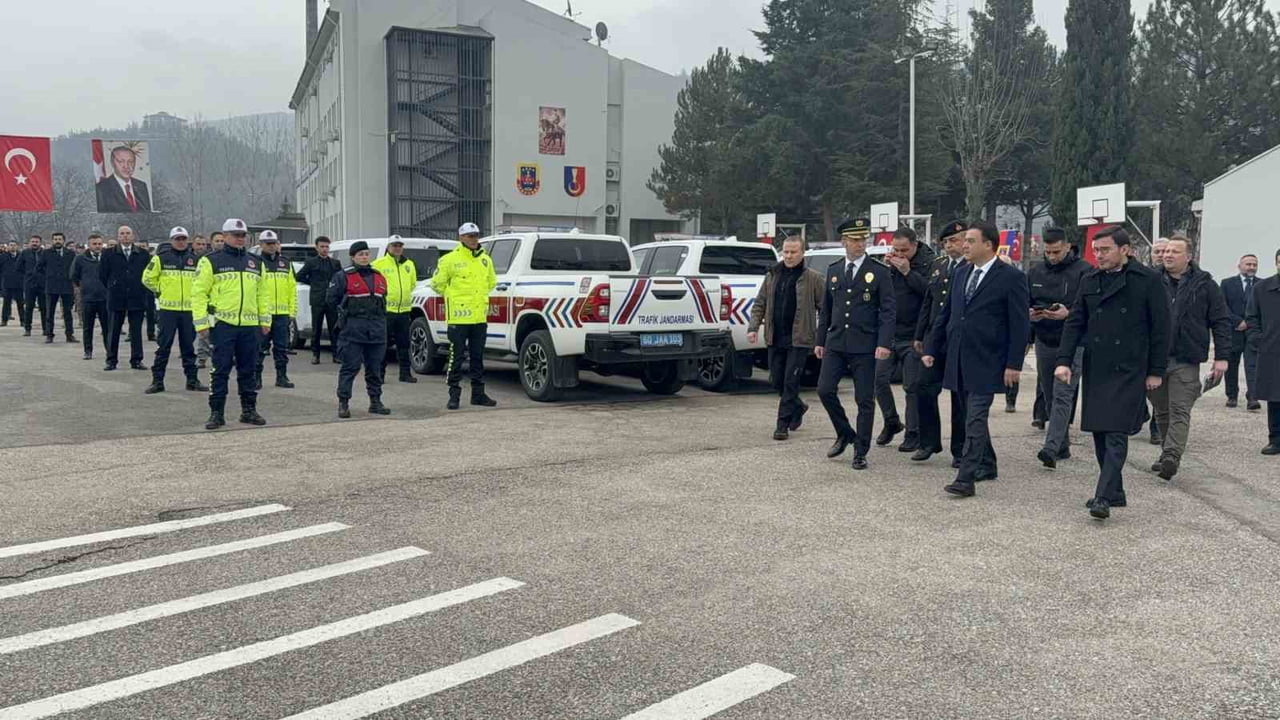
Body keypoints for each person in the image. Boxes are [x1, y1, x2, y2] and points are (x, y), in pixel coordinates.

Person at [1056, 227, 1170, 519]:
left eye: (1105, 250)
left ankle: (1102, 496)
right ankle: (1115, 491)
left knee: (1116, 432)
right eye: (1096, 250)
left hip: (1130, 367)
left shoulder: (1148, 280)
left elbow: (1161, 329)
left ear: (1125, 249)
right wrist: (1064, 360)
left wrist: (1156, 370)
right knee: (1099, 431)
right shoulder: (1090, 279)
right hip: (1097, 365)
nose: (1099, 255)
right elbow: (1074, 323)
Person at [922, 221, 1031, 497]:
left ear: (988, 245)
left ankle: (965, 477)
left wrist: (1014, 364)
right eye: (964, 241)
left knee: (975, 417)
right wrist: (931, 348)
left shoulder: (1010, 277)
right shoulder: (961, 273)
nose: (965, 246)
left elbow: (1019, 325)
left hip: (989, 359)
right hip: (958, 357)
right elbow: (946, 314)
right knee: (971, 416)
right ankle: (988, 463)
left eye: (970, 241)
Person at [1147, 234, 1232, 480]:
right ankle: (1166, 452)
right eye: (1165, 252)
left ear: (1189, 257)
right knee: (1161, 409)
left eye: (1174, 251)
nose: (1167, 255)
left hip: (1186, 358)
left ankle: (1172, 456)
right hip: (1154, 359)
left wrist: (1222, 357)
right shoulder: (1151, 281)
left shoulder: (1205, 284)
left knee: (1180, 409)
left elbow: (1221, 321)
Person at [815, 218, 895, 471]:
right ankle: (845, 432)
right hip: (836, 342)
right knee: (825, 390)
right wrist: (820, 340)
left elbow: (888, 311)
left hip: (865, 344)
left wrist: (884, 342)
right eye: (855, 240)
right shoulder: (835, 269)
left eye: (864, 239)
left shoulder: (879, 271)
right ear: (844, 242)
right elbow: (826, 310)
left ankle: (861, 450)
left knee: (864, 400)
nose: (861, 244)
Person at [192, 218, 270, 430]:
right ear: (225, 237)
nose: (240, 239)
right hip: (223, 325)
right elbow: (199, 294)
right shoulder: (211, 261)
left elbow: (263, 294)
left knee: (249, 370)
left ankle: (248, 411)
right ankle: (216, 413)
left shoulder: (255, 262)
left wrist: (265, 320)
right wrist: (201, 323)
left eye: (243, 235)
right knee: (220, 370)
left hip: (250, 326)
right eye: (235, 235)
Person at [747, 236, 824, 440]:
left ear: (802, 253)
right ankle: (797, 407)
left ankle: (782, 425)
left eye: (793, 252)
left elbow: (825, 308)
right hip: (775, 337)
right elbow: (760, 303)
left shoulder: (813, 278)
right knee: (776, 381)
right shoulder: (772, 275)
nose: (789, 256)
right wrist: (753, 327)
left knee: (791, 382)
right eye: (786, 252)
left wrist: (822, 336)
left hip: (799, 340)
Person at [1028, 227, 1091, 468]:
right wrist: (1031, 316)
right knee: (1049, 394)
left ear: (1067, 246)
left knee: (1063, 394)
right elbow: (1027, 300)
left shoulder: (1084, 271)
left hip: (1074, 342)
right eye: (1048, 252)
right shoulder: (1036, 271)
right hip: (1045, 339)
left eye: (1056, 251)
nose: (1052, 256)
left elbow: (1090, 307)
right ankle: (1062, 445)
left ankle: (1051, 447)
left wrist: (1069, 314)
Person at [873, 226, 935, 452]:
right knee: (878, 380)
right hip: (890, 334)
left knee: (912, 386)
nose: (899, 255)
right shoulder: (889, 265)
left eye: (904, 250)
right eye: (895, 249)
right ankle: (891, 421)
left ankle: (913, 433)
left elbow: (931, 294)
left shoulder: (929, 263)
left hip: (914, 336)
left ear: (915, 246)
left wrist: (908, 272)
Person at [913, 220, 969, 465]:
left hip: (959, 341)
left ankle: (960, 449)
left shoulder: (972, 267)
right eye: (945, 242)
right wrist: (919, 335)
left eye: (954, 241)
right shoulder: (938, 266)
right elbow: (928, 302)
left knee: (959, 396)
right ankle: (929, 441)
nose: (949, 246)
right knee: (922, 387)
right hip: (935, 339)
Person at [431, 222, 498, 410]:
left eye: (476, 235)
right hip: (459, 319)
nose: (473, 238)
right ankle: (454, 395)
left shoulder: (485, 259)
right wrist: (453, 297)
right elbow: (437, 284)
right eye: (469, 235)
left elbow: (491, 282)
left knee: (478, 357)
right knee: (456, 357)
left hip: (479, 318)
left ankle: (478, 394)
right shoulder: (449, 259)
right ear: (460, 237)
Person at [329, 240, 392, 418]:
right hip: (352, 330)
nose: (364, 257)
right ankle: (343, 403)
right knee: (350, 368)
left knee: (375, 369)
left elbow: (383, 302)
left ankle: (375, 402)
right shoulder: (343, 276)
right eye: (360, 255)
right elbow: (331, 300)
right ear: (353, 257)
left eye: (366, 254)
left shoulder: (379, 276)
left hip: (377, 331)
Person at [142, 227, 206, 394]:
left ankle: (192, 380)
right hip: (168, 310)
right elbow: (147, 278)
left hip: (188, 310)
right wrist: (160, 290)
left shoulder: (196, 260)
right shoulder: (160, 258)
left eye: (183, 239)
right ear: (172, 240)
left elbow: (202, 283)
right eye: (177, 239)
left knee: (188, 347)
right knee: (164, 346)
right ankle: (157, 381)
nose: (181, 242)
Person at [100, 226, 152, 371]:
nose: (125, 236)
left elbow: (148, 275)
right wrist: (113, 285)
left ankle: (136, 360)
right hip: (117, 296)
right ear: (118, 236)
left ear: (133, 235)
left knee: (136, 331)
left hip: (137, 296)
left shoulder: (142, 254)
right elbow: (103, 275)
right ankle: (111, 360)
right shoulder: (108, 254)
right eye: (122, 234)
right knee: (114, 330)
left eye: (128, 233)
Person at [370, 235, 419, 383]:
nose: (397, 248)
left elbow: (412, 284)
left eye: (399, 245)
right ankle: (380, 374)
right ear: (388, 247)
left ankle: (405, 373)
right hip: (386, 310)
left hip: (404, 310)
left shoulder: (409, 264)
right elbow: (373, 285)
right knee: (383, 343)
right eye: (394, 245)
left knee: (404, 343)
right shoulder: (379, 264)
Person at [254, 231, 298, 390]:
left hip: (282, 314)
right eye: (268, 243)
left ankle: (282, 376)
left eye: (273, 243)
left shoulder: (285, 263)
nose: (271, 246)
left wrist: (292, 313)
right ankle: (256, 377)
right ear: (261, 245)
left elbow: (292, 288)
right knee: (259, 348)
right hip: (263, 315)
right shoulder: (255, 263)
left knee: (281, 348)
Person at [1246, 248, 1280, 454]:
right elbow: (1252, 318)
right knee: (1275, 398)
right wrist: (1259, 340)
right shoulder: (1262, 288)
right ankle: (1275, 439)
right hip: (1273, 351)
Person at [1222, 254, 1260, 411]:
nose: (1251, 267)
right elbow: (1222, 306)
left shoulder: (1262, 285)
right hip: (1233, 331)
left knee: (1253, 365)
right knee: (1231, 365)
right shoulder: (1227, 284)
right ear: (1239, 266)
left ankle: (1253, 396)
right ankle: (1232, 395)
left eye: (1254, 264)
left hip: (1254, 332)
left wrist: (1250, 323)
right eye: (1248, 264)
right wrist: (1237, 321)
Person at [296, 235, 343, 365]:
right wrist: (312, 282)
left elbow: (340, 278)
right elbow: (298, 276)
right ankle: (315, 354)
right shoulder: (311, 262)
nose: (325, 249)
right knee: (316, 328)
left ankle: (336, 354)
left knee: (334, 328)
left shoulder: (335, 263)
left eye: (327, 247)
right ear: (317, 248)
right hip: (317, 299)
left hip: (332, 300)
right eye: (322, 246)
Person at [70, 234, 110, 360]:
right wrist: (84, 287)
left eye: (99, 244)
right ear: (89, 245)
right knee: (88, 327)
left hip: (105, 298)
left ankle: (109, 351)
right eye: (94, 244)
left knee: (107, 327)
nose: (97, 246)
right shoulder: (80, 259)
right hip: (88, 298)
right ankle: (88, 351)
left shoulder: (108, 257)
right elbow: (73, 276)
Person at [35, 232, 77, 343]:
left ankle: (69, 334)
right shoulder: (46, 253)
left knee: (67, 312)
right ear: (52, 241)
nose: (57, 241)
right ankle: (49, 334)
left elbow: (75, 268)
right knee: (50, 312)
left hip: (66, 286)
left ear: (63, 241)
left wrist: (71, 277)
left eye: (59, 239)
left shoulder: (71, 253)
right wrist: (48, 275)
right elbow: (38, 268)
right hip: (51, 286)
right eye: (55, 239)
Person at [95, 145, 153, 213]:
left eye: (130, 161)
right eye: (121, 161)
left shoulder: (141, 186)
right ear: (112, 163)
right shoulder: (101, 189)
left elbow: (148, 215)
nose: (126, 166)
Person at [16, 236, 45, 337]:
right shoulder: (25, 253)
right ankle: (27, 328)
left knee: (44, 307)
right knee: (29, 307)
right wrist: (29, 273)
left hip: (43, 284)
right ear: (29, 242)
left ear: (40, 243)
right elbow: (18, 267)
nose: (34, 243)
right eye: (32, 241)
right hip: (29, 283)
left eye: (36, 242)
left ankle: (46, 329)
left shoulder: (45, 253)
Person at [191, 235, 213, 368]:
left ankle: (204, 356)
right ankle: (200, 357)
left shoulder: (210, 260)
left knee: (209, 331)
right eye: (198, 244)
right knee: (199, 331)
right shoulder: (189, 259)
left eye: (203, 244)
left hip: (210, 301)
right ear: (193, 245)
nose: (201, 247)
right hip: (191, 301)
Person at [136, 239, 158, 341]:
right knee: (136, 314)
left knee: (150, 313)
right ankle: (133, 334)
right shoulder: (134, 257)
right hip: (136, 289)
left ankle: (151, 333)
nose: (141, 248)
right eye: (140, 246)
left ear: (148, 247)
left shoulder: (153, 259)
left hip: (148, 289)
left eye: (143, 246)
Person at [0, 242, 23, 326]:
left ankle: (23, 320)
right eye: (11, 245)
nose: (12, 247)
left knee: (20, 303)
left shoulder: (21, 256)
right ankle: (4, 320)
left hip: (19, 283)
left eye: (14, 245)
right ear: (8, 247)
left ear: (17, 246)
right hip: (7, 283)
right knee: (6, 303)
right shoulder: (3, 256)